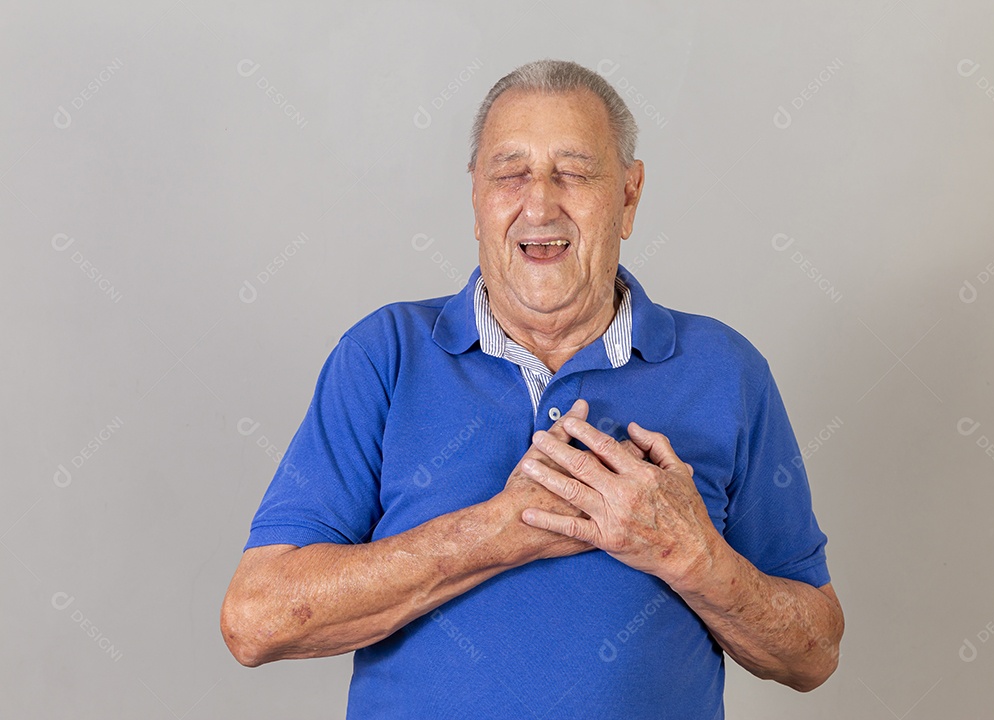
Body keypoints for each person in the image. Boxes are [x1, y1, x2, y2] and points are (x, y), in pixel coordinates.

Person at [221, 58, 844, 719]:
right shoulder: (384, 354)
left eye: (574, 173)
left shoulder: (725, 369)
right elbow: (255, 621)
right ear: (476, 198)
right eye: (510, 174)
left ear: (628, 196)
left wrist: (687, 552)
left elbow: (813, 652)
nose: (540, 204)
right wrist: (499, 530)